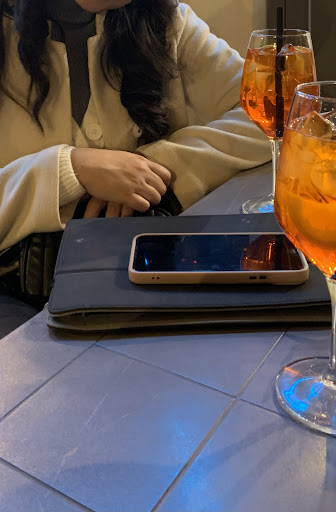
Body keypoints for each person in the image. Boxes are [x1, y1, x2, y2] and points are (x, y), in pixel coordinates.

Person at [0, 0, 271, 333]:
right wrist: (67, 170)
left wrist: (154, 164)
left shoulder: (166, 18)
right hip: (16, 295)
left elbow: (276, 112)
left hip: (144, 274)